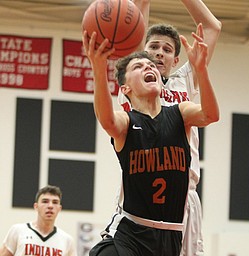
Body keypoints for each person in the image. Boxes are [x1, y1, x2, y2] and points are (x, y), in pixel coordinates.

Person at [83, 20, 219, 255]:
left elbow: (210, 114)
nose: (149, 67)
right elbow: (106, 120)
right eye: (138, 66)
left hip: (170, 234)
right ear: (125, 89)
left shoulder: (180, 112)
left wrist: (202, 70)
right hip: (131, 231)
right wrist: (98, 68)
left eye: (151, 66)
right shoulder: (127, 120)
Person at [118, 1, 222, 255]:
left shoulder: (183, 81)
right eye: (153, 47)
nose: (159, 53)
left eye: (167, 49)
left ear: (176, 59)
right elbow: (136, 22)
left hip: (183, 193)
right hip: (140, 196)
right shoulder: (134, 81)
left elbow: (212, 27)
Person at [0, 185, 77, 256]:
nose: (50, 206)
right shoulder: (18, 230)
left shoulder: (67, 240)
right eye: (45, 201)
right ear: (36, 206)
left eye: (55, 202)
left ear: (59, 208)